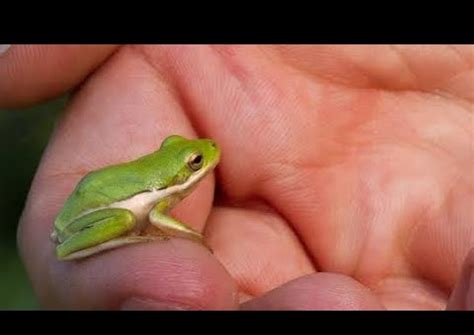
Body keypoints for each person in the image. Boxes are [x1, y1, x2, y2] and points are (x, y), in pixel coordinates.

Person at [3, 44, 472, 310]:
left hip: (91, 195)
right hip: (102, 213)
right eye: (193, 165)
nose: (202, 161)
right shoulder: (163, 196)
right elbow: (158, 216)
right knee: (135, 224)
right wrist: (184, 233)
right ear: (179, 178)